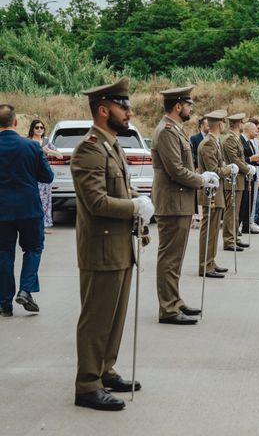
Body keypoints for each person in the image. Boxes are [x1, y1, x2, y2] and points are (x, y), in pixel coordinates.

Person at [70, 78, 155, 410]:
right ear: (104, 110)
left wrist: (137, 198)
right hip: (101, 248)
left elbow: (119, 190)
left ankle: (105, 370)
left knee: (115, 315)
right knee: (96, 317)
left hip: (120, 246)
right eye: (123, 107)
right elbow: (97, 202)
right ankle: (87, 384)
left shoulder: (112, 145)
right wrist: (133, 207)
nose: (129, 113)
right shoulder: (89, 148)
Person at [152, 85, 220, 325]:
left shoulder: (176, 130)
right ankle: (168, 308)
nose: (192, 109)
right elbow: (176, 170)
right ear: (178, 106)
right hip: (172, 201)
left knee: (175, 257)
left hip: (179, 200)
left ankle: (175, 301)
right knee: (170, 257)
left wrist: (201, 178)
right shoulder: (168, 131)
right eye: (189, 105)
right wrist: (202, 179)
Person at [0, 103, 54, 318]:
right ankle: (25, 290)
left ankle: (5, 303)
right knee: (33, 248)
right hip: (29, 208)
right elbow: (47, 177)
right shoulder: (32, 147)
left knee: (3, 253)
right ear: (15, 122)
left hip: (2, 210)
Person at [197, 110, 236, 279]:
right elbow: (213, 170)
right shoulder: (208, 143)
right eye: (223, 123)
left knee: (213, 230)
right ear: (219, 125)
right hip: (210, 192)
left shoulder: (215, 142)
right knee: (210, 230)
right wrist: (229, 169)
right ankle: (205, 265)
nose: (224, 126)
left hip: (216, 191)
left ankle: (210, 261)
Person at [222, 113, 255, 252]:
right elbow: (235, 160)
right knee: (231, 211)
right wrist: (248, 168)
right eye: (242, 122)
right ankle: (229, 240)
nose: (243, 125)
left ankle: (234, 237)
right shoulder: (230, 139)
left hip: (239, 179)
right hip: (233, 179)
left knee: (236, 212)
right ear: (238, 124)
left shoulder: (234, 138)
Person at [27, 119, 63, 233]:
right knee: (32, 200)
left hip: (44, 175)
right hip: (31, 175)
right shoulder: (27, 142)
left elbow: (60, 156)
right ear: (32, 129)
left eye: (41, 127)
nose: (39, 129)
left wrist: (49, 151)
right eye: (37, 127)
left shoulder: (47, 142)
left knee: (45, 201)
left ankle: (43, 225)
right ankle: (31, 225)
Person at [240, 122, 259, 235]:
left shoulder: (251, 142)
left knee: (250, 201)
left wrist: (257, 160)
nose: (256, 132)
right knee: (244, 202)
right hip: (244, 175)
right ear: (248, 130)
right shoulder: (241, 140)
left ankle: (246, 225)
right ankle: (241, 225)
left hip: (252, 175)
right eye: (254, 130)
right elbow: (240, 158)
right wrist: (250, 159)